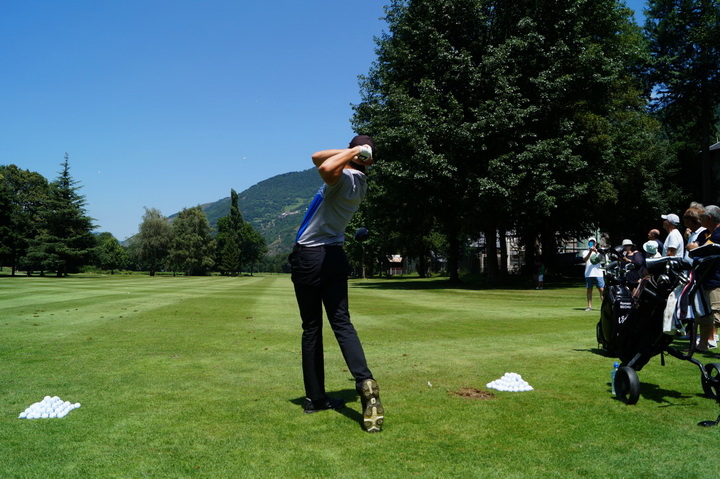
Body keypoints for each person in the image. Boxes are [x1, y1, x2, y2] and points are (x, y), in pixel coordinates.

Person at [288, 135, 384, 433]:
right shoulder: (361, 182)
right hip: (334, 256)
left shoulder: (344, 179)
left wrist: (352, 151)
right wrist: (355, 152)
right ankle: (364, 380)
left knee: (311, 328)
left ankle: (316, 398)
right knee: (342, 322)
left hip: (310, 256)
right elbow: (317, 156)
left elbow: (324, 165)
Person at [687, 205, 720, 351]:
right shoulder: (704, 233)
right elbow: (693, 250)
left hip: (716, 280)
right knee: (704, 315)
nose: (699, 220)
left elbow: (701, 249)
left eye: (702, 218)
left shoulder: (718, 233)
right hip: (702, 279)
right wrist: (696, 248)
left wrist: (696, 248)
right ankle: (702, 345)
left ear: (709, 218)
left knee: (717, 315)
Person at [581, 237, 604, 311]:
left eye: (593, 242)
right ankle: (589, 306)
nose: (592, 244)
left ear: (596, 244)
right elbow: (585, 259)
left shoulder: (599, 252)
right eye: (590, 243)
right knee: (589, 290)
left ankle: (604, 306)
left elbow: (602, 260)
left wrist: (596, 252)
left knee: (601, 290)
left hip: (598, 273)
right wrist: (590, 251)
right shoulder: (585, 252)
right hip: (589, 273)